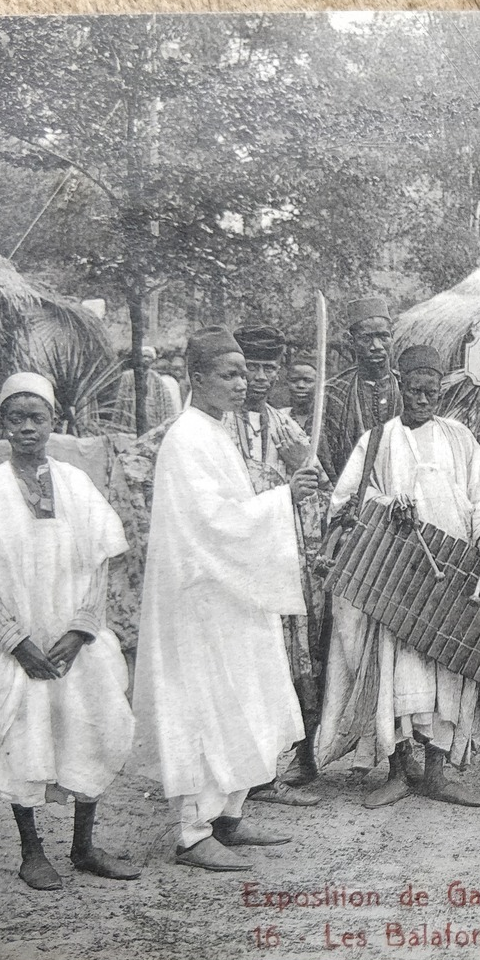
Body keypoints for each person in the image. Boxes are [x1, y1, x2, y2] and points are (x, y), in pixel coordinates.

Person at [0, 373, 138, 890]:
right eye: (16, 418)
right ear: (2, 423)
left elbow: (97, 565)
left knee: (91, 728)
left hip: (72, 643)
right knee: (26, 739)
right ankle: (32, 851)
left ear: (53, 422)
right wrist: (16, 644)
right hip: (19, 646)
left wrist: (80, 631)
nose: (27, 428)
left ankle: (84, 846)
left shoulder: (76, 484)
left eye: (37, 417)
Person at [131, 327, 318, 872]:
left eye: (244, 373)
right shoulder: (186, 438)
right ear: (197, 379)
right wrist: (284, 499)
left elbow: (234, 513)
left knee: (246, 698)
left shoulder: (216, 432)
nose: (243, 384)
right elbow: (210, 524)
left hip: (233, 591)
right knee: (204, 705)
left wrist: (281, 496)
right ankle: (193, 832)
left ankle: (229, 818)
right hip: (200, 601)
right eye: (229, 374)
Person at [317, 343, 480, 809]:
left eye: (432, 391)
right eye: (415, 390)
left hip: (452, 574)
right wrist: (388, 507)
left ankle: (437, 773)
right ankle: (399, 771)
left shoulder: (460, 438)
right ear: (400, 386)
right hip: (397, 576)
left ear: (440, 391)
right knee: (396, 671)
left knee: (450, 669)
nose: (424, 399)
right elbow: (349, 500)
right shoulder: (377, 441)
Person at [226, 324, 328, 800]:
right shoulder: (216, 427)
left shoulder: (285, 427)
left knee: (291, 661)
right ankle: (242, 774)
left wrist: (298, 465)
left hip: (283, 560)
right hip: (235, 566)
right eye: (253, 368)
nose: (261, 378)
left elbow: (316, 491)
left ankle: (292, 762)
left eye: (270, 368)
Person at [320, 296, 400, 480]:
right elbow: (323, 454)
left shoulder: (406, 388)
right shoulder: (333, 393)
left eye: (383, 337)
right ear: (351, 341)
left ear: (391, 336)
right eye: (366, 339)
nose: (376, 346)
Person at [112, 345, 181, 434]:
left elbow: (166, 403)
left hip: (151, 421)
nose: (146, 359)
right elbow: (120, 400)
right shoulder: (127, 376)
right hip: (131, 419)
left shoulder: (157, 379)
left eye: (149, 357)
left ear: (153, 360)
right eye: (144, 356)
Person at [286, 354, 319, 436]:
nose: (300, 385)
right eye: (294, 380)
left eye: (308, 381)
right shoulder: (279, 417)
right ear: (287, 382)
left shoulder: (325, 419)